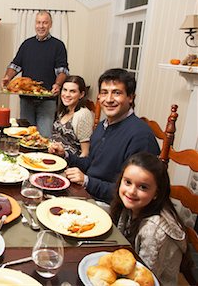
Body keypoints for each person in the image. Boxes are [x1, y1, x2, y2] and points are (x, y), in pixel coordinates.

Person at [49, 68, 159, 203]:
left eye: (117, 93)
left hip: (110, 206)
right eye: (104, 93)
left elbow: (132, 193)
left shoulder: (140, 136)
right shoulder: (103, 126)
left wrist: (87, 181)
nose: (109, 99)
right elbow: (91, 163)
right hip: (88, 192)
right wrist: (65, 155)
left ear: (130, 97)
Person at [110, 152, 189, 285]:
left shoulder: (154, 231)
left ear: (156, 193)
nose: (131, 191)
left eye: (143, 187)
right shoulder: (132, 205)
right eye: (128, 182)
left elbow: (145, 279)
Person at [1, 10, 69, 137]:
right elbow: (15, 65)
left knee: (44, 136)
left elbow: (62, 70)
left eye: (45, 23)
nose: (41, 26)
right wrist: (7, 77)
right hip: (26, 100)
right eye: (38, 22)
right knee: (26, 134)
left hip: (47, 100)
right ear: (35, 24)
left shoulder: (58, 45)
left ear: (50, 25)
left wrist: (58, 84)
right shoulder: (27, 44)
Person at [51, 75, 93, 157]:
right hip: (53, 157)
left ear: (81, 94)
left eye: (72, 91)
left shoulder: (83, 114)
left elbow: (85, 153)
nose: (67, 94)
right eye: (65, 90)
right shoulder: (64, 110)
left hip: (69, 163)